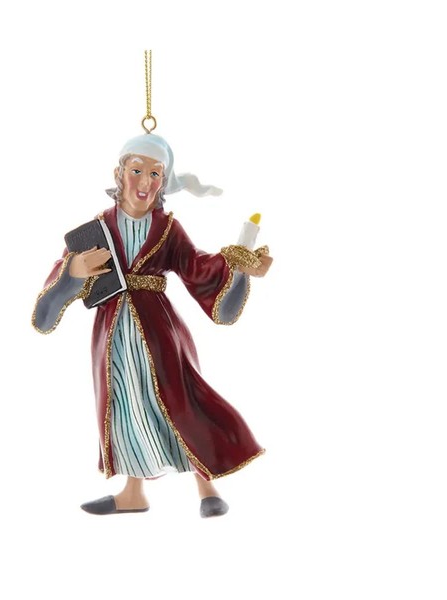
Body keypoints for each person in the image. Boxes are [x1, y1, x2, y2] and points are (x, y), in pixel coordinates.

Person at [32, 134, 272, 518]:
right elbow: (60, 277)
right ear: (119, 173)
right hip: (113, 334)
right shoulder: (97, 228)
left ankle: (206, 486)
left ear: (163, 182)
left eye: (155, 174)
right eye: (137, 171)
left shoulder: (168, 228)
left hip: (160, 332)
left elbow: (197, 267)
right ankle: (133, 493)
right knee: (127, 405)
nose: (145, 182)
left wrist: (236, 264)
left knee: (181, 402)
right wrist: (74, 270)